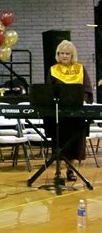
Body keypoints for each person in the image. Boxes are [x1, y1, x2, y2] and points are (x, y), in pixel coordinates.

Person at [46, 40, 93, 181]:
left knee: (74, 143)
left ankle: (70, 171)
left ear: (72, 55)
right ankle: (58, 172)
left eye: (67, 53)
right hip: (59, 113)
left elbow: (87, 89)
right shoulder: (53, 70)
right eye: (62, 53)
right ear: (58, 55)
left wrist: (83, 100)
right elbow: (49, 90)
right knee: (60, 141)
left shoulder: (80, 69)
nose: (65, 56)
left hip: (76, 113)